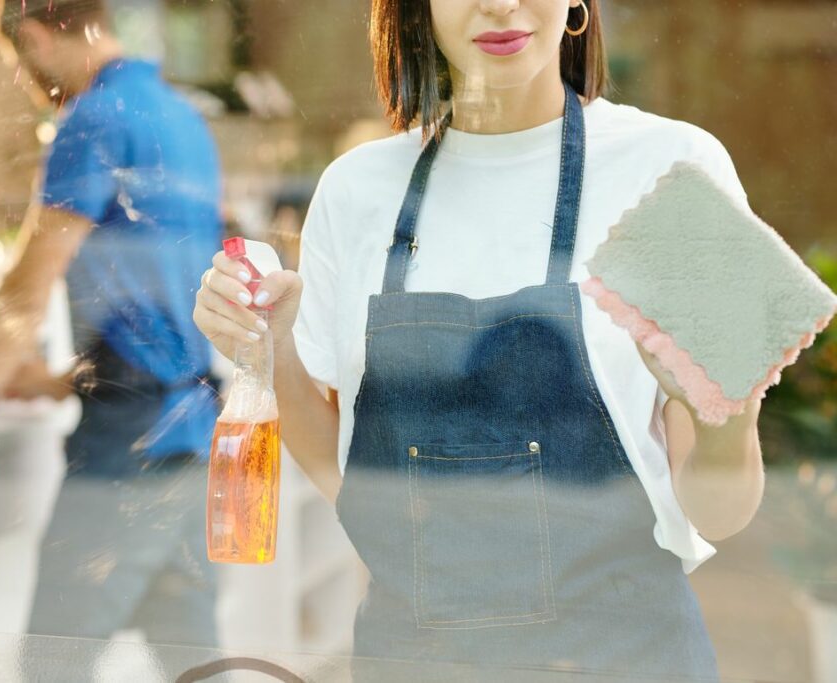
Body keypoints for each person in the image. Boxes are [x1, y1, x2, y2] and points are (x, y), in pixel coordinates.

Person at [194, 0, 765, 680]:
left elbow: (722, 514)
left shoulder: (676, 168)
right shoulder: (355, 190)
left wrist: (728, 416)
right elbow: (352, 483)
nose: (499, 3)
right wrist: (271, 346)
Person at [0, 0, 222, 646]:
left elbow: (26, 290)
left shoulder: (93, 118)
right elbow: (164, 297)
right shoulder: (181, 114)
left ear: (33, 36)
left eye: (20, 62)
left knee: (54, 659)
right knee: (194, 657)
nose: (30, 82)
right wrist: (60, 380)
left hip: (130, 443)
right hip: (193, 430)